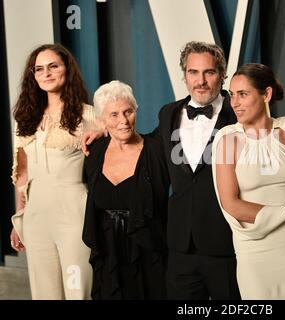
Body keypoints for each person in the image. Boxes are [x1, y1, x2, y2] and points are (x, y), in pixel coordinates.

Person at [211, 63, 285, 299]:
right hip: (254, 250)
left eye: (243, 94)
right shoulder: (227, 141)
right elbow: (230, 203)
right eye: (232, 95)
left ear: (266, 94)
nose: (235, 103)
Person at [154, 41, 240, 299]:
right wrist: (105, 130)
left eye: (209, 72)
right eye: (193, 72)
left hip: (227, 243)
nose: (200, 81)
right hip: (181, 244)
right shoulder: (168, 113)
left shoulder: (238, 113)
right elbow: (148, 144)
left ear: (223, 75)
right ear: (184, 76)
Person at [9, 43, 94, 299]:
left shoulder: (88, 115)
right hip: (35, 217)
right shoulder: (25, 118)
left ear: (66, 70)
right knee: (45, 294)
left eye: (53, 66)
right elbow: (21, 174)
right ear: (33, 76)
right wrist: (19, 219)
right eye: (39, 69)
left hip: (74, 215)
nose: (46, 73)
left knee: (77, 289)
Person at [82, 80, 169, 299]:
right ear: (102, 120)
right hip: (108, 253)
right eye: (114, 115)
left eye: (128, 111)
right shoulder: (95, 151)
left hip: (149, 253)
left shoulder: (157, 150)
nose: (123, 121)